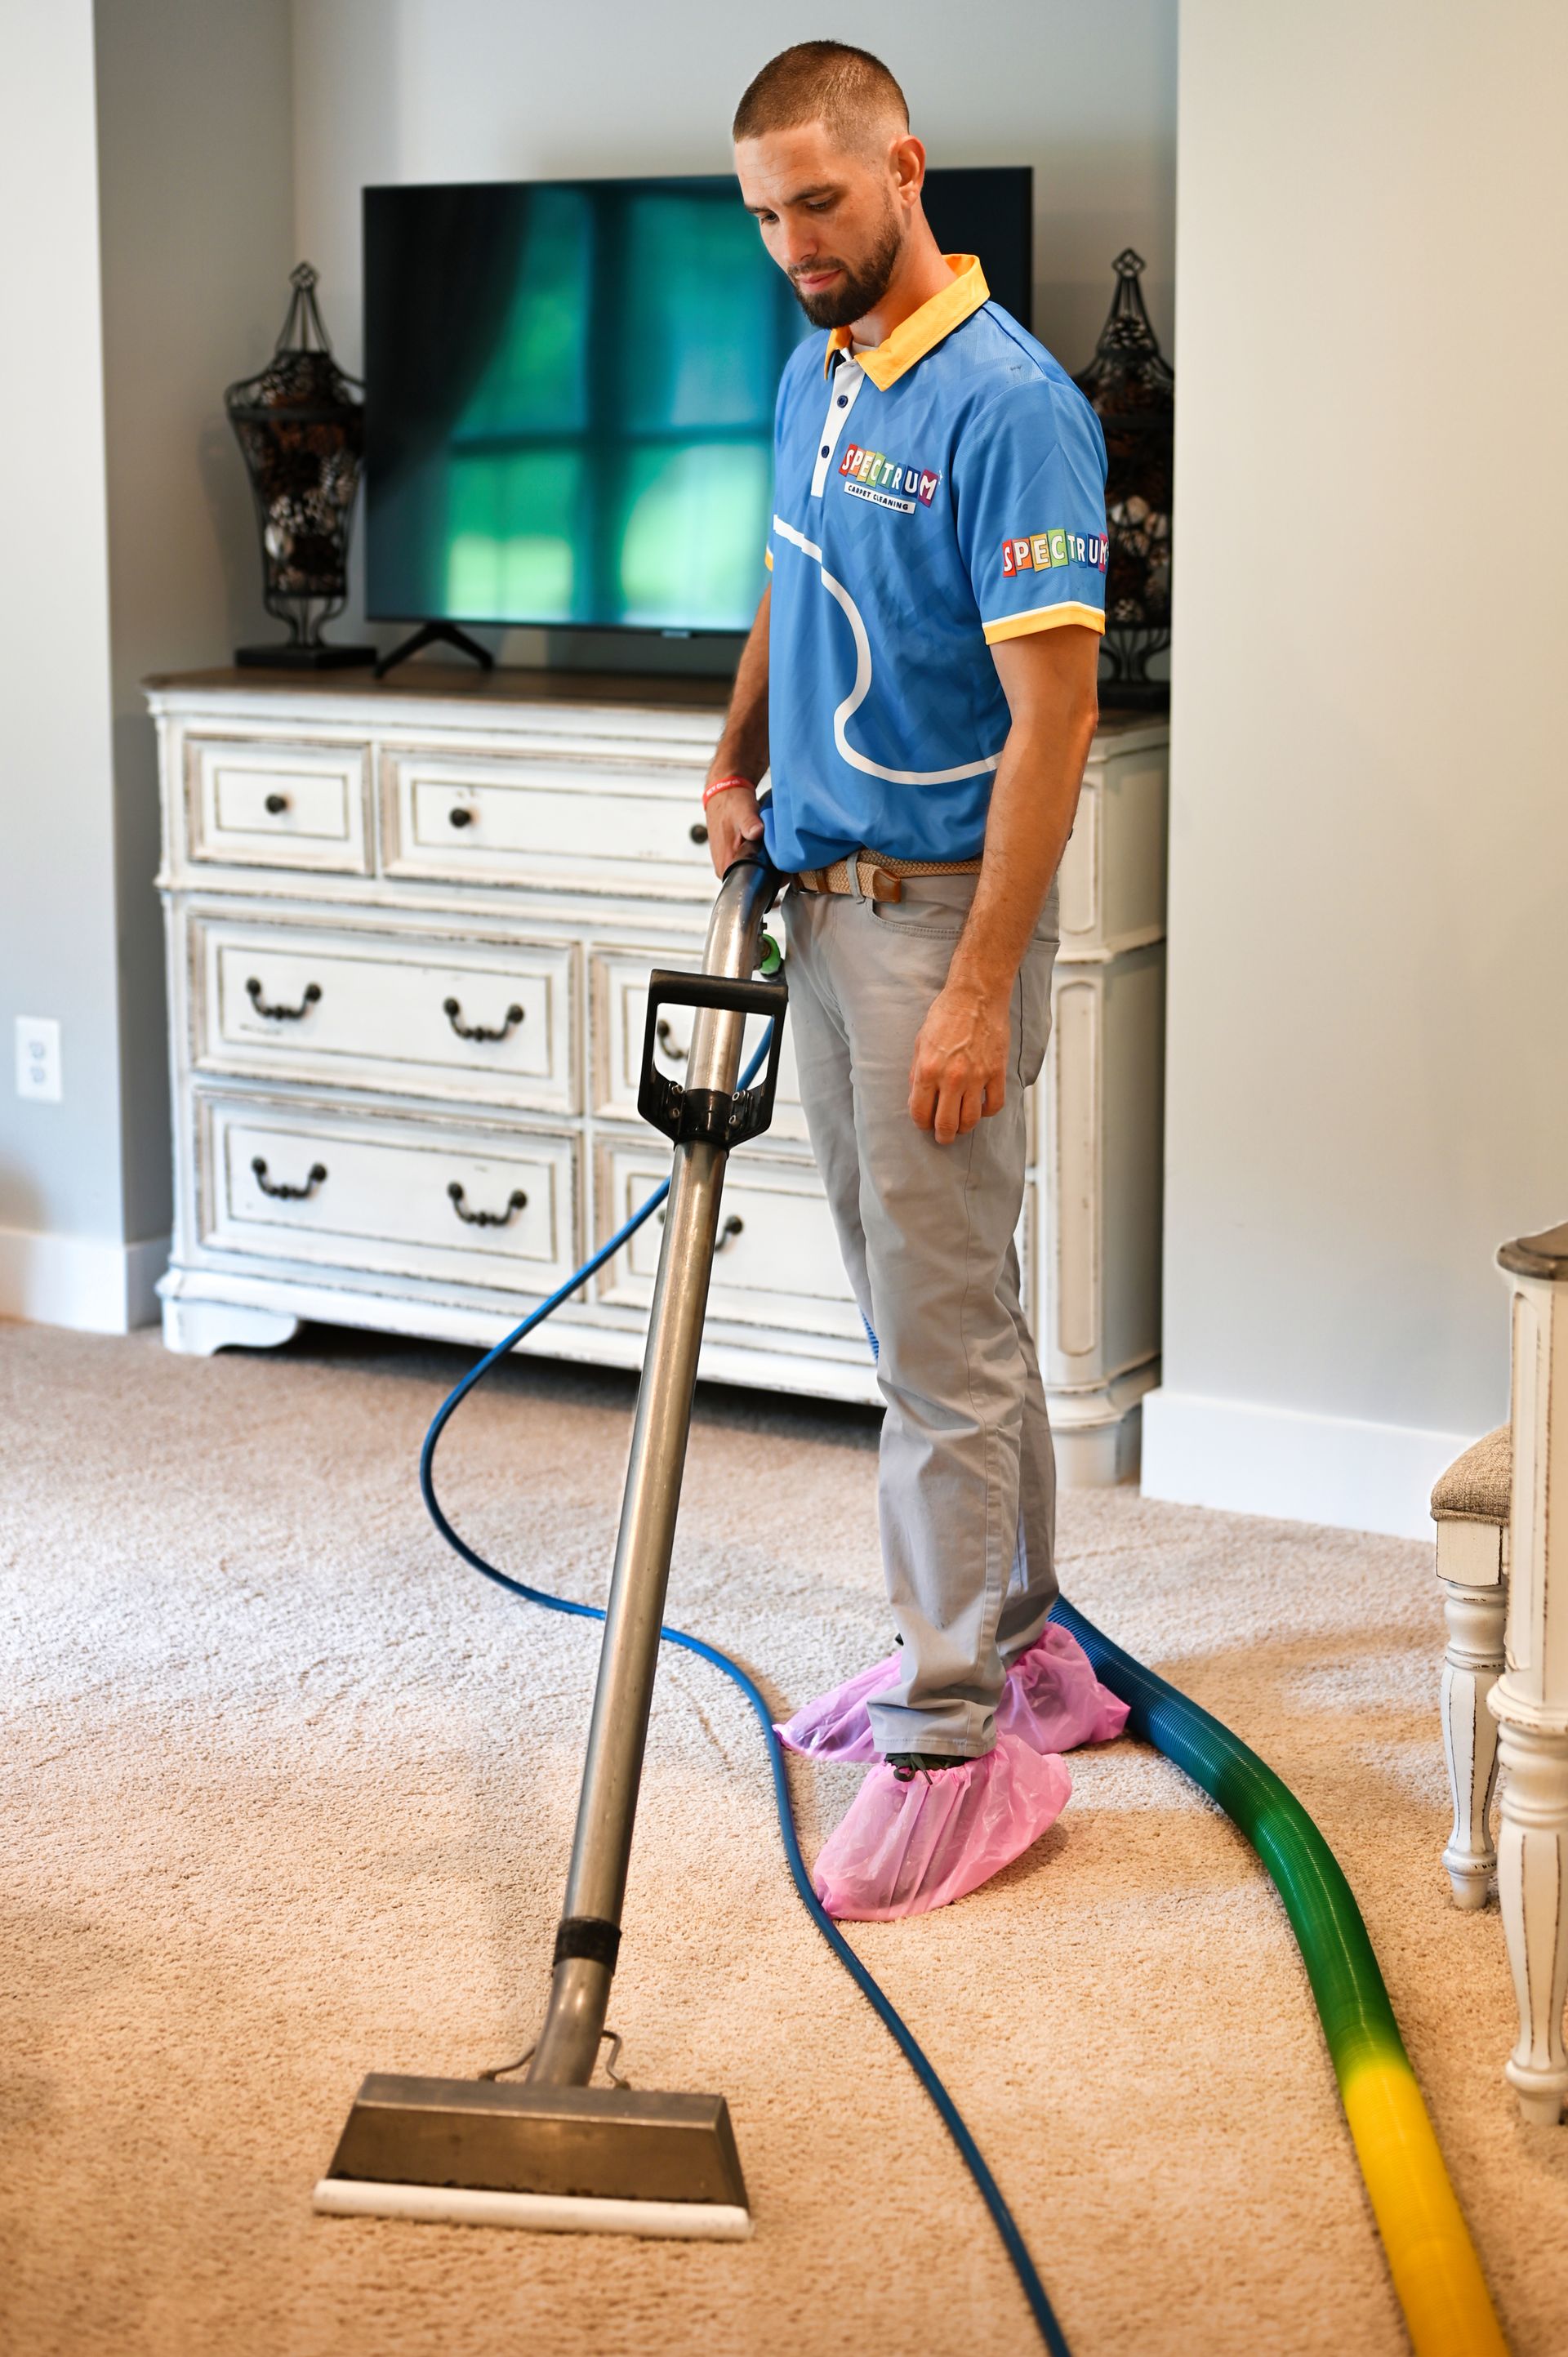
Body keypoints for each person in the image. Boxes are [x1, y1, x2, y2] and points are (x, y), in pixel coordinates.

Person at [706, 42, 1119, 1918]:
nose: (795, 239)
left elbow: (1060, 719)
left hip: (942, 915)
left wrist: (977, 983)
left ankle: (958, 1743)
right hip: (827, 891)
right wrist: (741, 762)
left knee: (937, 1351)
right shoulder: (821, 365)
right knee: (926, 1315)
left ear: (903, 169)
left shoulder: (1012, 407)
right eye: (768, 209)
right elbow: (791, 579)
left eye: (822, 199)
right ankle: (1026, 1650)